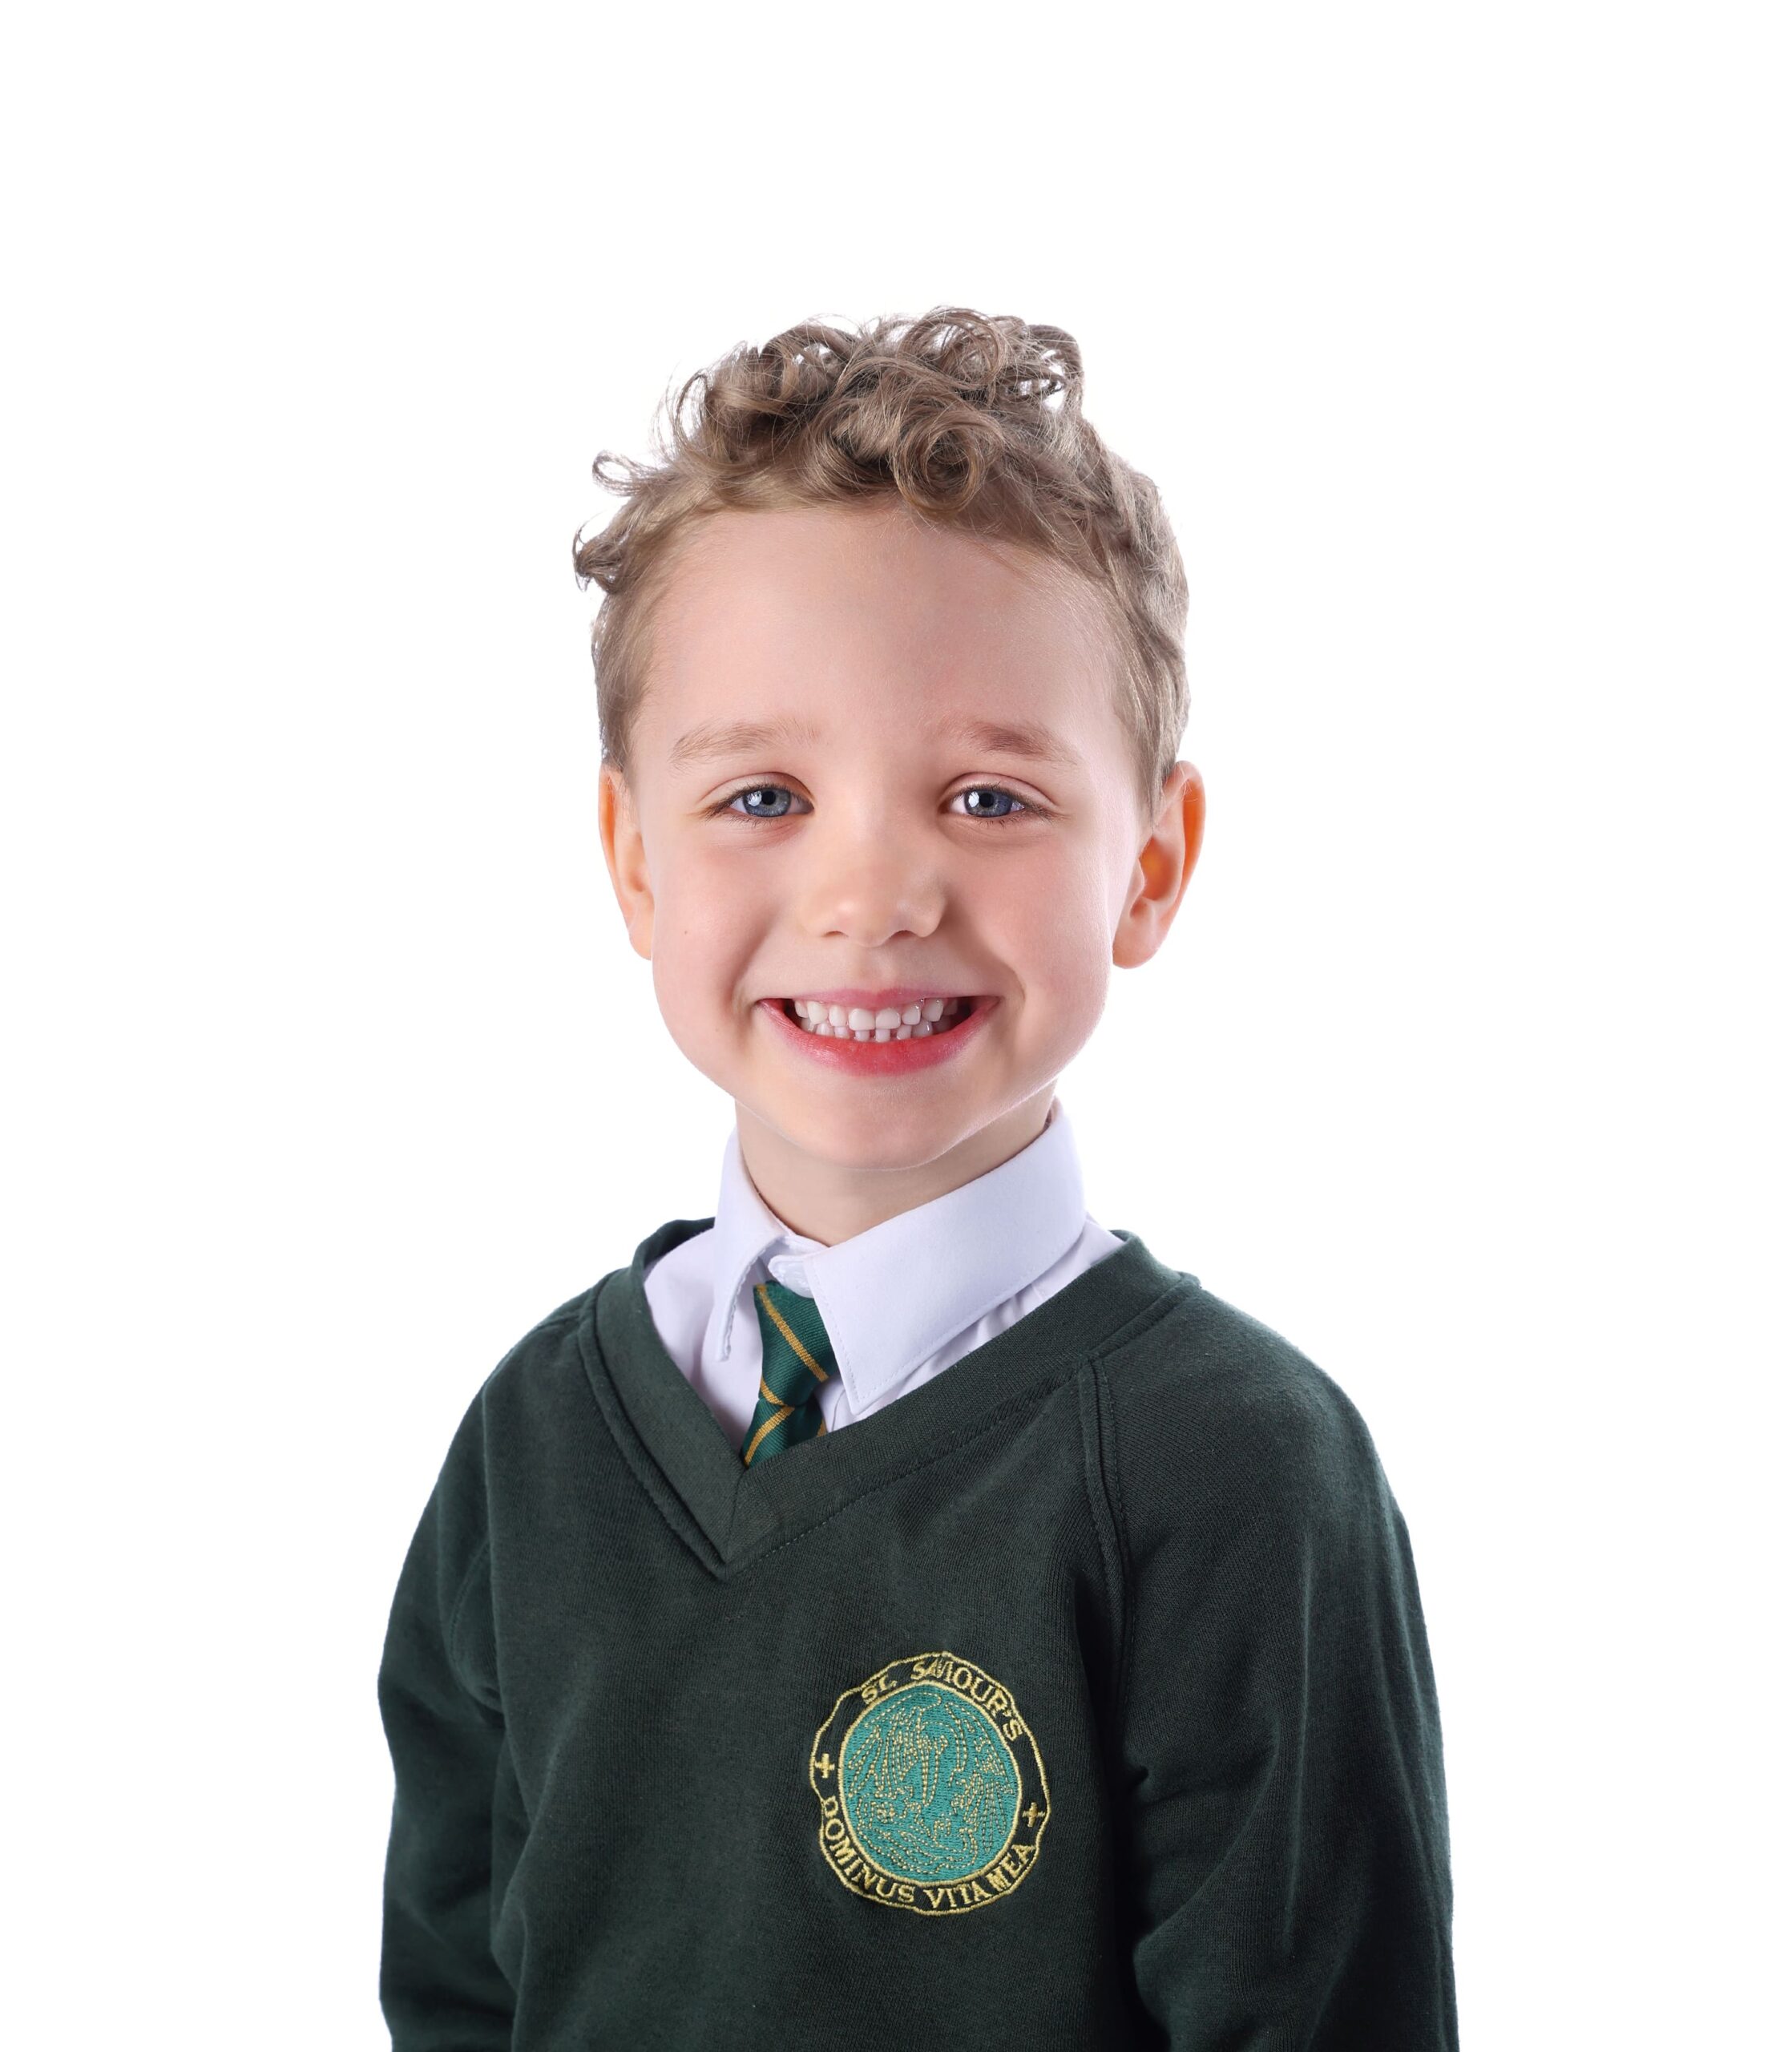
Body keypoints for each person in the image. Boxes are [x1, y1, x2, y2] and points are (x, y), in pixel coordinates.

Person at [376, 306, 1458, 2049]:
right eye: (759, 795)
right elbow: (459, 1984)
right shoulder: (532, 1440)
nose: (870, 892)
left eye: (983, 795)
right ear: (630, 861)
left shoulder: (1236, 1469)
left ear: (1151, 862)